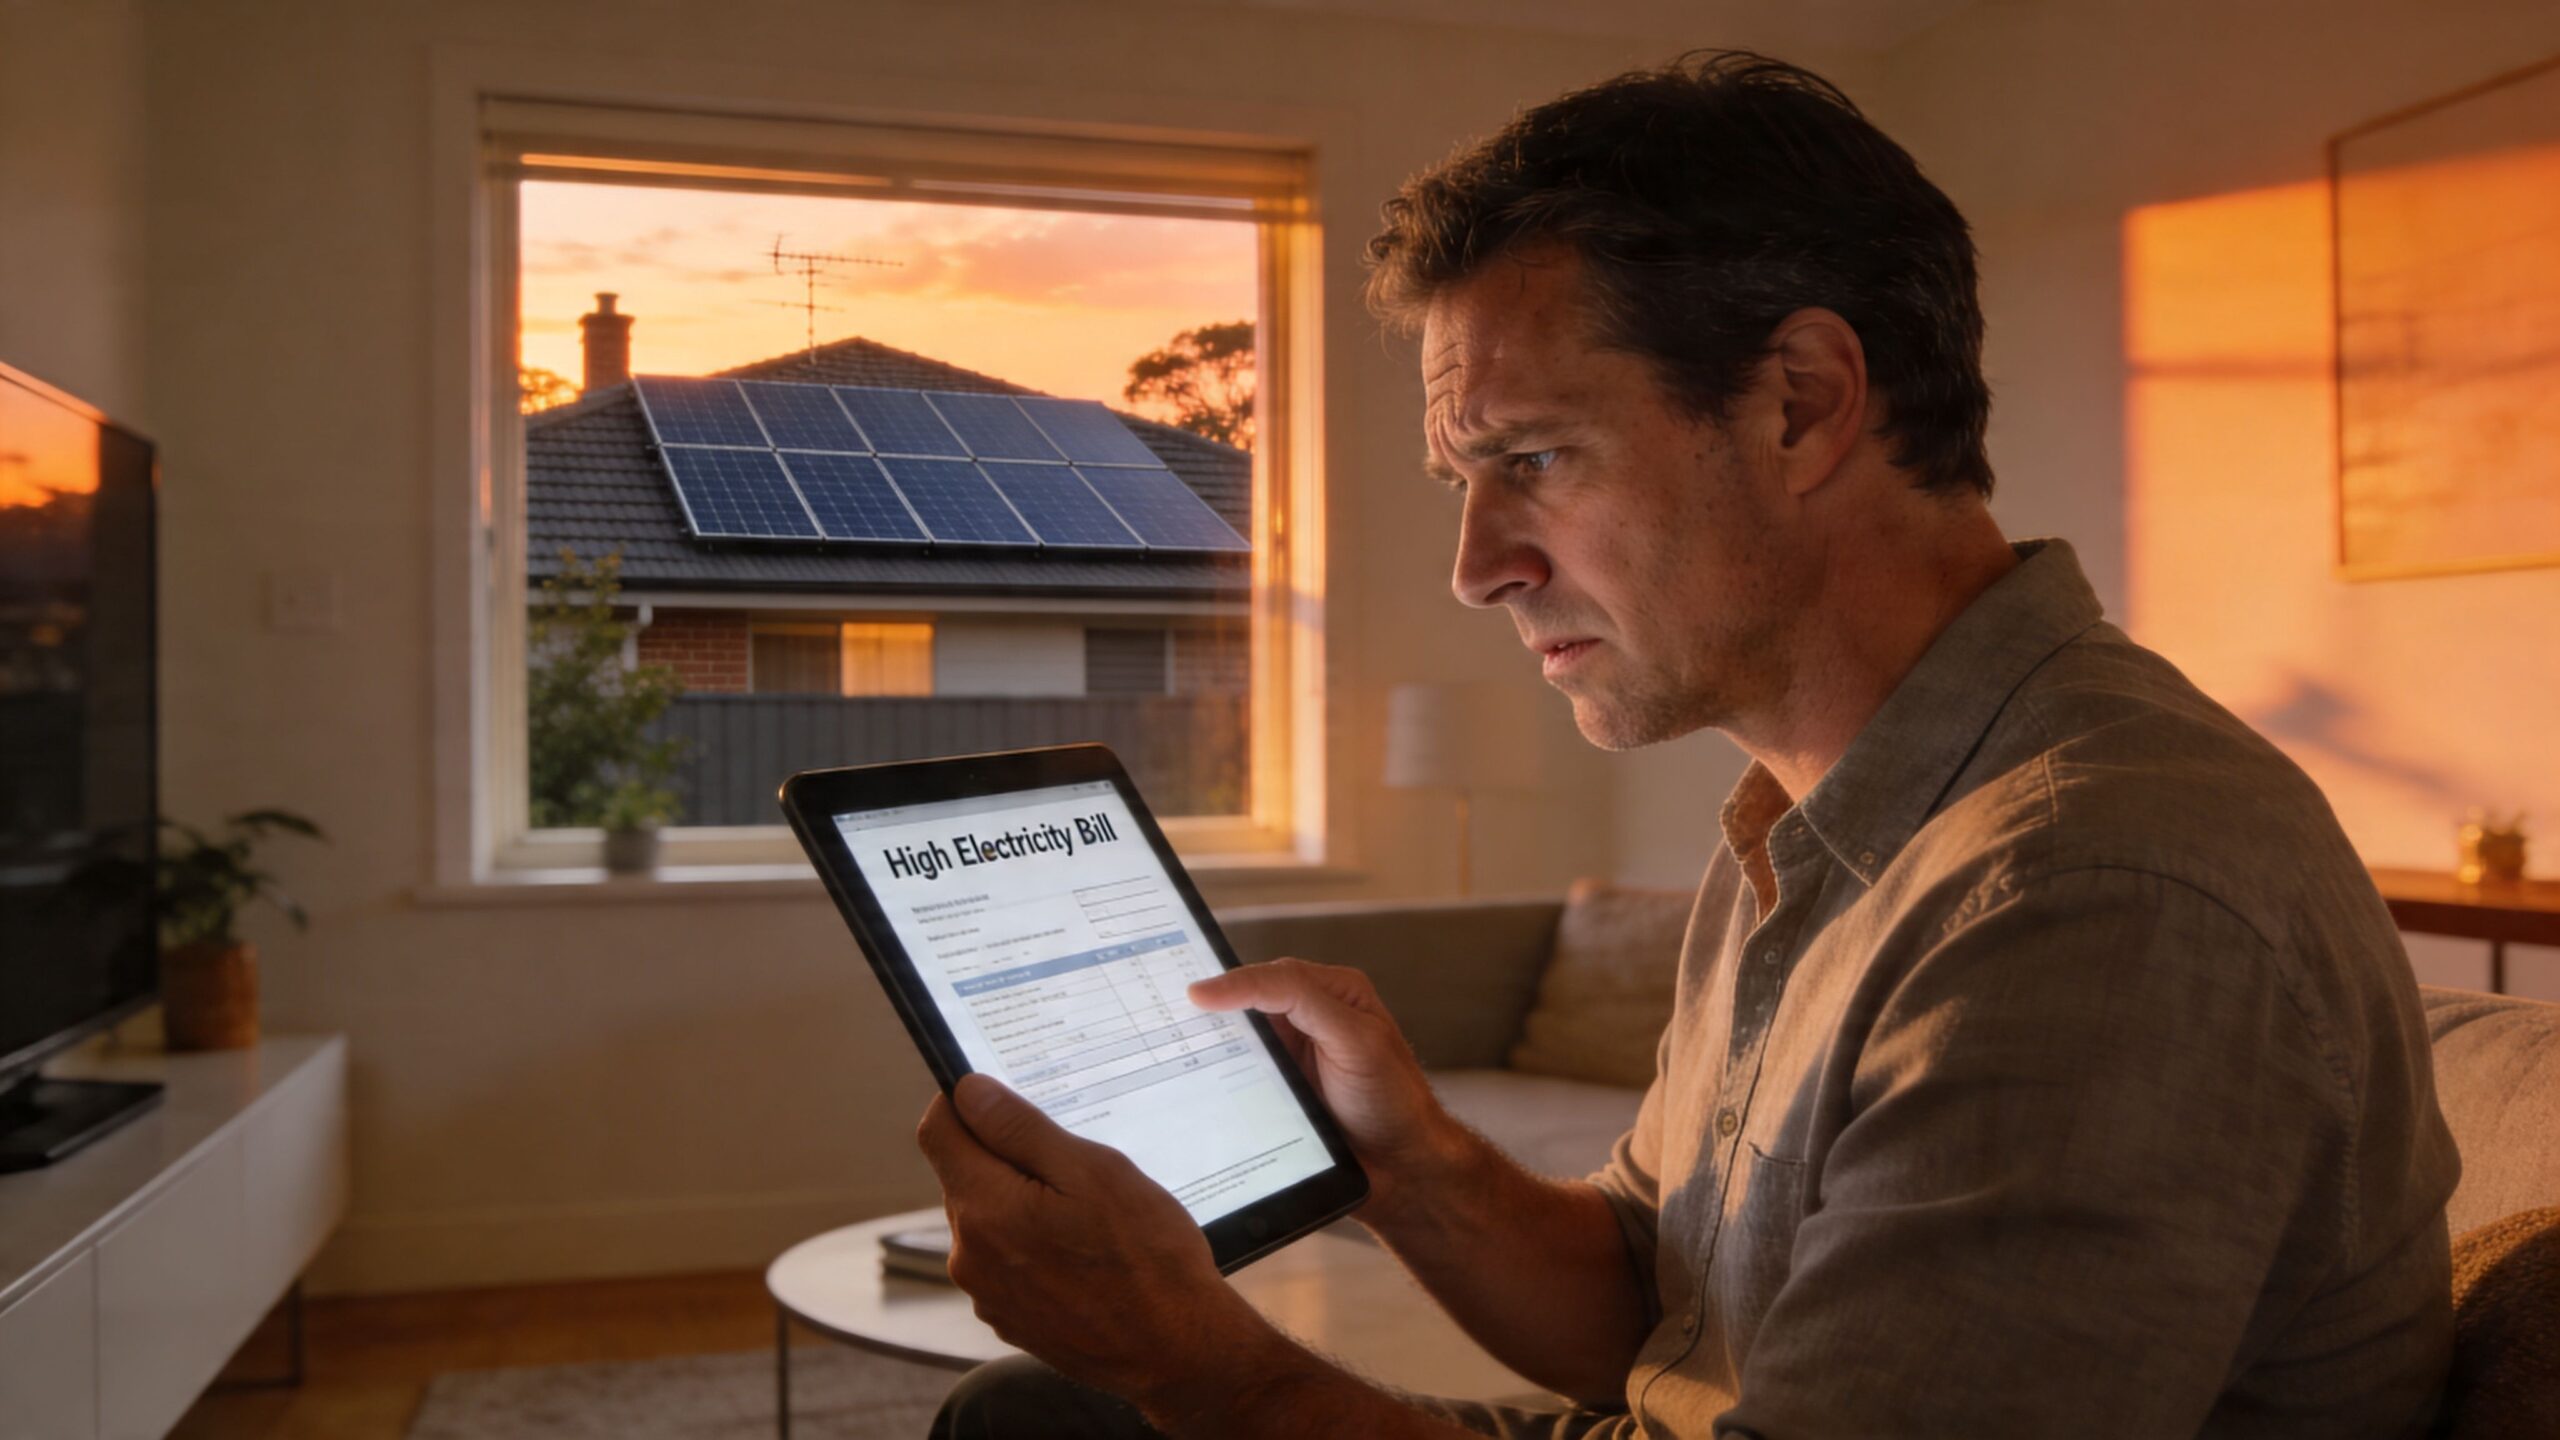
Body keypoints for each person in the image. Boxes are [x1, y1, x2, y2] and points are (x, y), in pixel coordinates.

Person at [919, 51, 2459, 1439]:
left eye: (1532, 458)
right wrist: (1402, 1161)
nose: (1477, 567)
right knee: (1028, 1418)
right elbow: (1657, 1321)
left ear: (1800, 403)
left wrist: (1215, 1368)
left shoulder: (2093, 895)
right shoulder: (1809, 821)